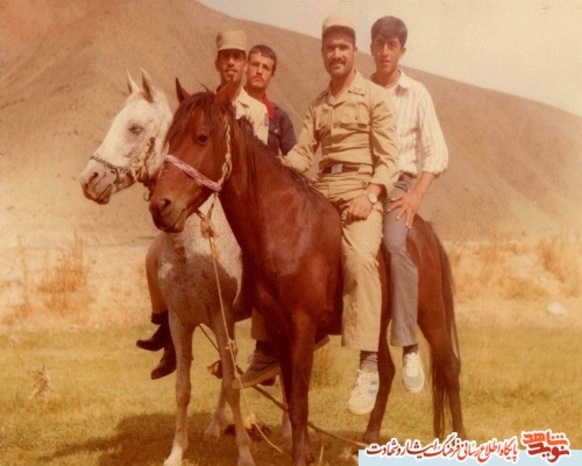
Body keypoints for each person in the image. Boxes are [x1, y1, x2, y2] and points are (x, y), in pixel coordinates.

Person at [281, 14, 400, 416]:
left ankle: (368, 363)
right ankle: (272, 346)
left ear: (354, 51)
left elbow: (389, 159)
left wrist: (371, 194)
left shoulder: (374, 97)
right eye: (330, 48)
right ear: (322, 53)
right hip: (322, 190)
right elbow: (304, 153)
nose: (336, 54)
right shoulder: (318, 105)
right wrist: (281, 164)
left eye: (343, 47)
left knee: (361, 257)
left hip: (360, 189)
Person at [136, 29, 269, 379]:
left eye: (237, 57)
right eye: (225, 57)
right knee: (156, 254)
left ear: (244, 63)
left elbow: (257, 162)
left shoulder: (255, 111)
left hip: (236, 203)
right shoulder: (200, 106)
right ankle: (168, 329)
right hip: (201, 199)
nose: (231, 63)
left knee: (261, 259)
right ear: (217, 63)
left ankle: (265, 340)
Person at [369, 16, 449, 394]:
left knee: (394, 244)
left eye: (392, 45)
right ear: (371, 46)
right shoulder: (361, 89)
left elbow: (437, 152)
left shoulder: (416, 93)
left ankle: (409, 345)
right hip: (362, 183)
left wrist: (415, 195)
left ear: (402, 50)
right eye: (379, 44)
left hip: (398, 184)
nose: (385, 52)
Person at [232, 44, 300, 389]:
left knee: (269, 261)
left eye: (266, 67)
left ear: (272, 76)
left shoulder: (279, 118)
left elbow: (294, 160)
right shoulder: (229, 106)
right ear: (246, 67)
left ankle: (266, 347)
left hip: (265, 206)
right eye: (255, 64)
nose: (258, 71)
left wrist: (281, 165)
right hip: (229, 198)